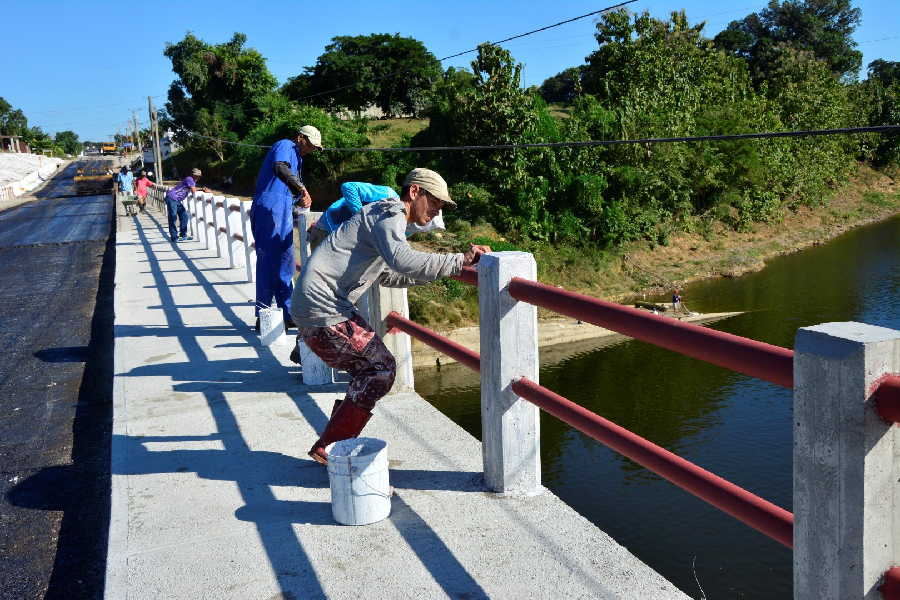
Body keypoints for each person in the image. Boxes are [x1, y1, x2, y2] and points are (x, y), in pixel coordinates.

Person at [291, 168, 491, 465]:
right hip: (324, 307)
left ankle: (336, 444)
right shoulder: (390, 212)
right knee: (380, 369)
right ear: (414, 192)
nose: (437, 210)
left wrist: (442, 270)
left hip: (318, 306)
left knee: (370, 370)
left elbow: (390, 274)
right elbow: (403, 260)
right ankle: (333, 447)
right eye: (435, 202)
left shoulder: (382, 218)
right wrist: (458, 260)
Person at [250, 125, 322, 332]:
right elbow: (279, 167)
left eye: (315, 148)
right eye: (310, 145)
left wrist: (302, 197)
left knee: (286, 263)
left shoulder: (298, 160)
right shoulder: (285, 145)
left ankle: (288, 313)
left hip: (283, 212)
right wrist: (300, 188)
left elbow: (291, 187)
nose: (312, 150)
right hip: (268, 209)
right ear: (300, 138)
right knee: (267, 263)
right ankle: (263, 315)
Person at [307, 181, 400, 249]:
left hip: (342, 239)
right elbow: (349, 187)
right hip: (326, 233)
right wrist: (361, 218)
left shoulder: (402, 223)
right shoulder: (389, 195)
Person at [165, 167, 209, 242]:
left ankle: (183, 235)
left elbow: (192, 189)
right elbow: (193, 191)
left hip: (177, 200)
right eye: (196, 175)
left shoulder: (192, 181)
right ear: (193, 174)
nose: (197, 177)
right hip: (172, 198)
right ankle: (174, 237)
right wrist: (203, 190)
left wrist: (201, 189)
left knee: (184, 216)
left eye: (199, 175)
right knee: (173, 217)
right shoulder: (189, 179)